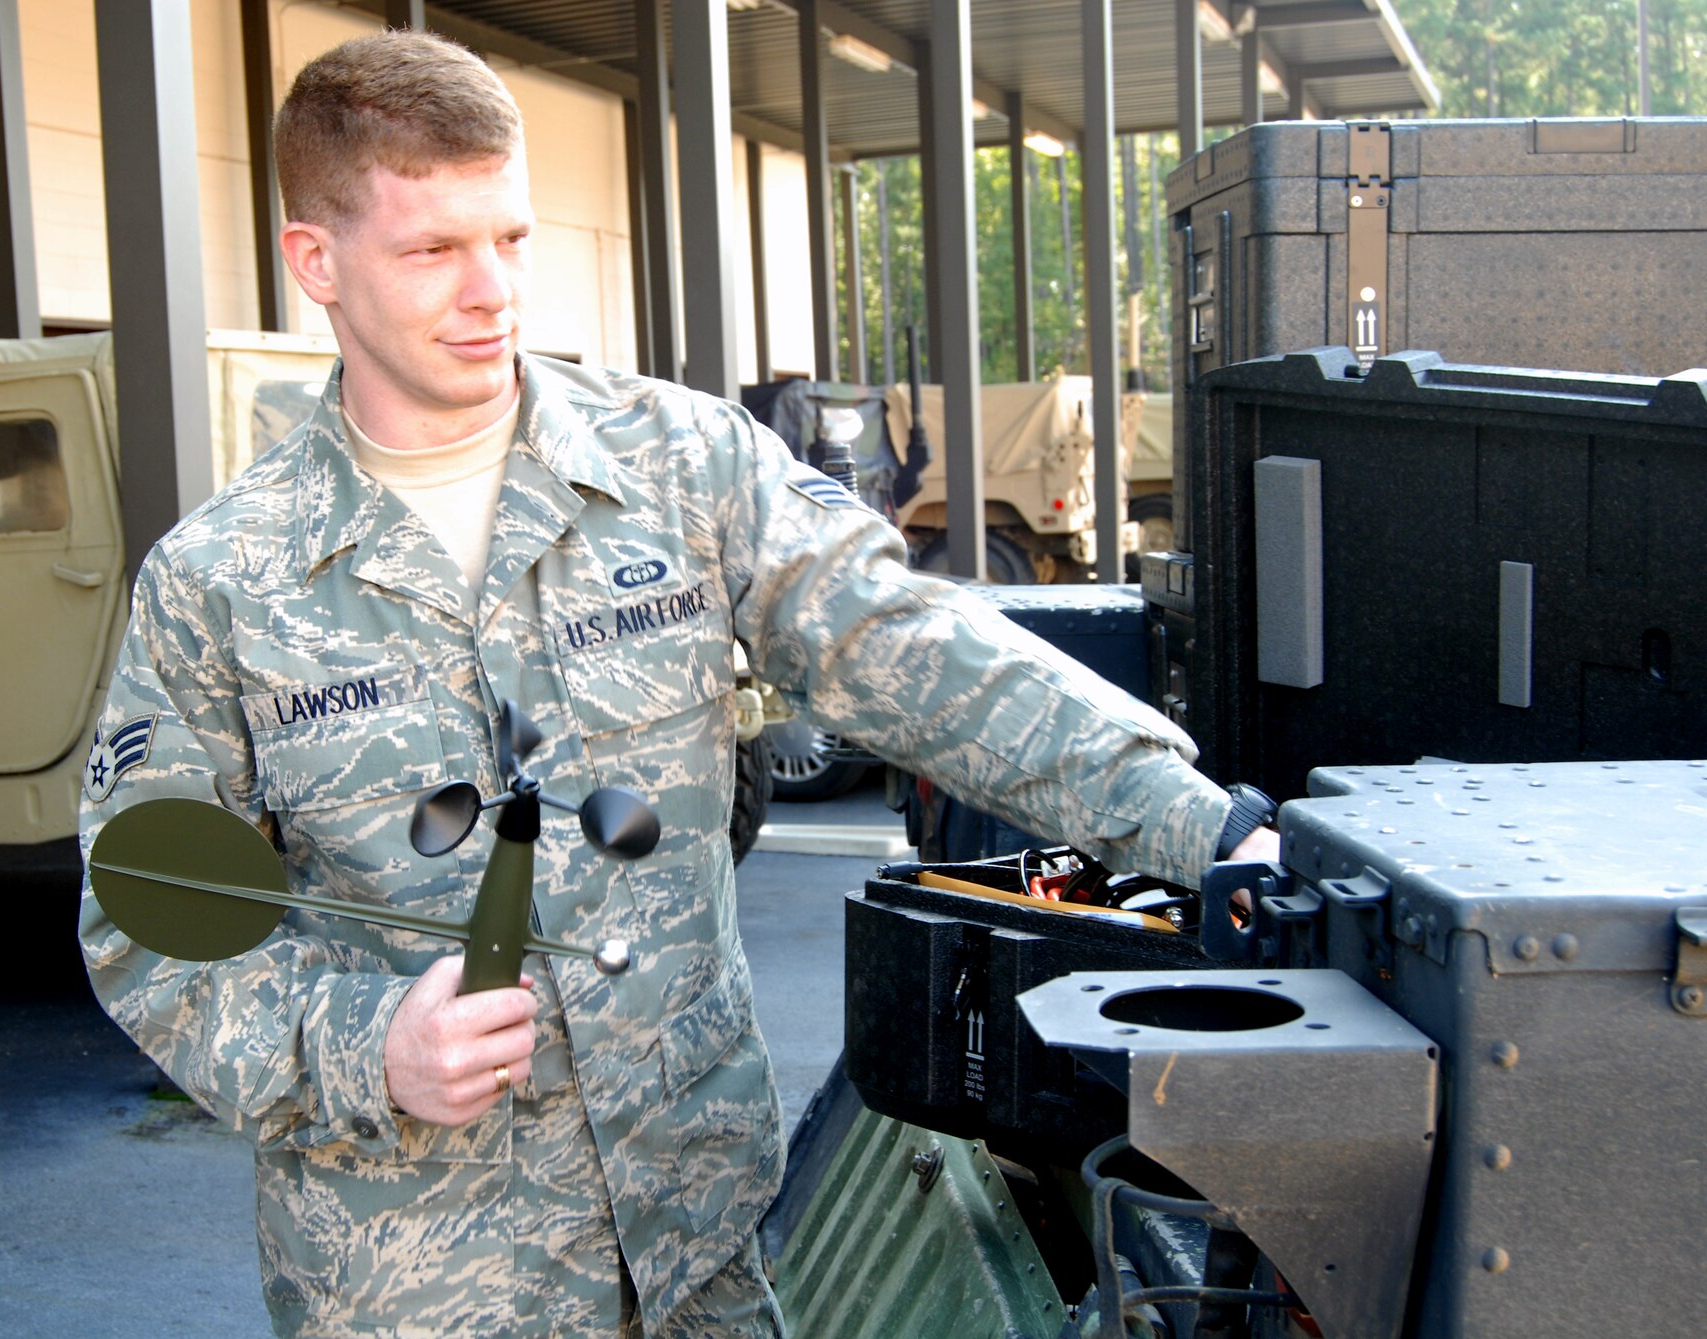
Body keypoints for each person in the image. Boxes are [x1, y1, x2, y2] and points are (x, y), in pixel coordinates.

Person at [78, 28, 1277, 1339]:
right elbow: (156, 932)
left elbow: (925, 657)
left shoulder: (686, 467)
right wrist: (369, 1045)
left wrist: (1208, 827)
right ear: (318, 261)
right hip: (420, 1291)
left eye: (514, 239)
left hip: (700, 1262)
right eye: (434, 250)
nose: (493, 293)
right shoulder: (223, 582)